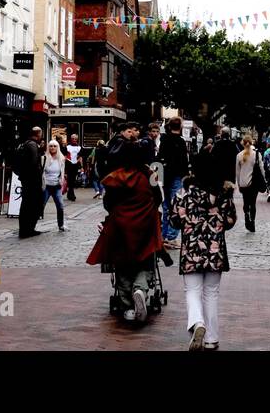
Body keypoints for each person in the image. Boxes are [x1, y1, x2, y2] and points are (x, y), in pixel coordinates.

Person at [86, 120, 164, 322]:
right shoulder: (150, 175)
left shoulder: (114, 177)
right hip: (145, 225)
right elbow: (159, 199)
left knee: (121, 262)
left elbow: (108, 204)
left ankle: (128, 305)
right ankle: (140, 289)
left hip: (121, 225)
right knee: (146, 260)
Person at [169, 149, 237, 350]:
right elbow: (230, 220)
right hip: (215, 251)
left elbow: (173, 220)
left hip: (191, 249)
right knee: (211, 293)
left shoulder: (184, 194)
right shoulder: (223, 194)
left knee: (192, 290)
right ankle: (212, 338)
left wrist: (189, 222)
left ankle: (197, 322)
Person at [158, 118, 190, 243]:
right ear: (181, 126)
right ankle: (171, 236)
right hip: (177, 176)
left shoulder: (164, 140)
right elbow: (184, 161)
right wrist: (186, 177)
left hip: (165, 176)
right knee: (176, 205)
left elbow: (160, 159)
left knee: (166, 206)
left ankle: (164, 234)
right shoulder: (181, 142)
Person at [14, 126, 45, 238]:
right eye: (41, 134)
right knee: (31, 205)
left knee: (27, 204)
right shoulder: (32, 145)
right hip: (32, 180)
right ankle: (27, 230)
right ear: (38, 134)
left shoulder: (26, 144)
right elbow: (33, 163)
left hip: (26, 179)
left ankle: (26, 229)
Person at [234, 133, 264, 232]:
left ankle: (246, 216)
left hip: (244, 183)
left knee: (246, 202)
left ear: (243, 143)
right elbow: (261, 168)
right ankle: (253, 222)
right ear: (251, 143)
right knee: (253, 204)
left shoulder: (239, 155)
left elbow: (237, 172)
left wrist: (238, 183)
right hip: (254, 183)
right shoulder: (257, 154)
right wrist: (263, 179)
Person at [42, 138, 68, 232]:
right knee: (41, 205)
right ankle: (33, 224)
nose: (52, 148)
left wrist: (62, 181)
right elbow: (42, 172)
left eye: (55, 146)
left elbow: (62, 171)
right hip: (46, 186)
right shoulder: (44, 158)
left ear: (58, 147)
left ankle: (61, 225)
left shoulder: (61, 158)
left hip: (56, 185)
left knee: (60, 206)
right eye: (51, 146)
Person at [211, 124, 238, 190]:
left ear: (221, 134)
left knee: (219, 188)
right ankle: (230, 198)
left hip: (219, 171)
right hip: (230, 171)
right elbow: (237, 156)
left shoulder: (217, 144)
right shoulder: (232, 144)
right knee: (230, 189)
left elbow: (212, 155)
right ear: (228, 134)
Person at [64, 133, 82, 202]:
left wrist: (81, 166)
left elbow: (80, 157)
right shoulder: (67, 147)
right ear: (71, 139)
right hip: (69, 164)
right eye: (73, 138)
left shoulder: (79, 147)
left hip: (75, 165)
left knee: (73, 180)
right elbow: (65, 157)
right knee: (69, 180)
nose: (74, 140)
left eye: (75, 139)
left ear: (77, 139)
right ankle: (72, 195)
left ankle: (70, 194)